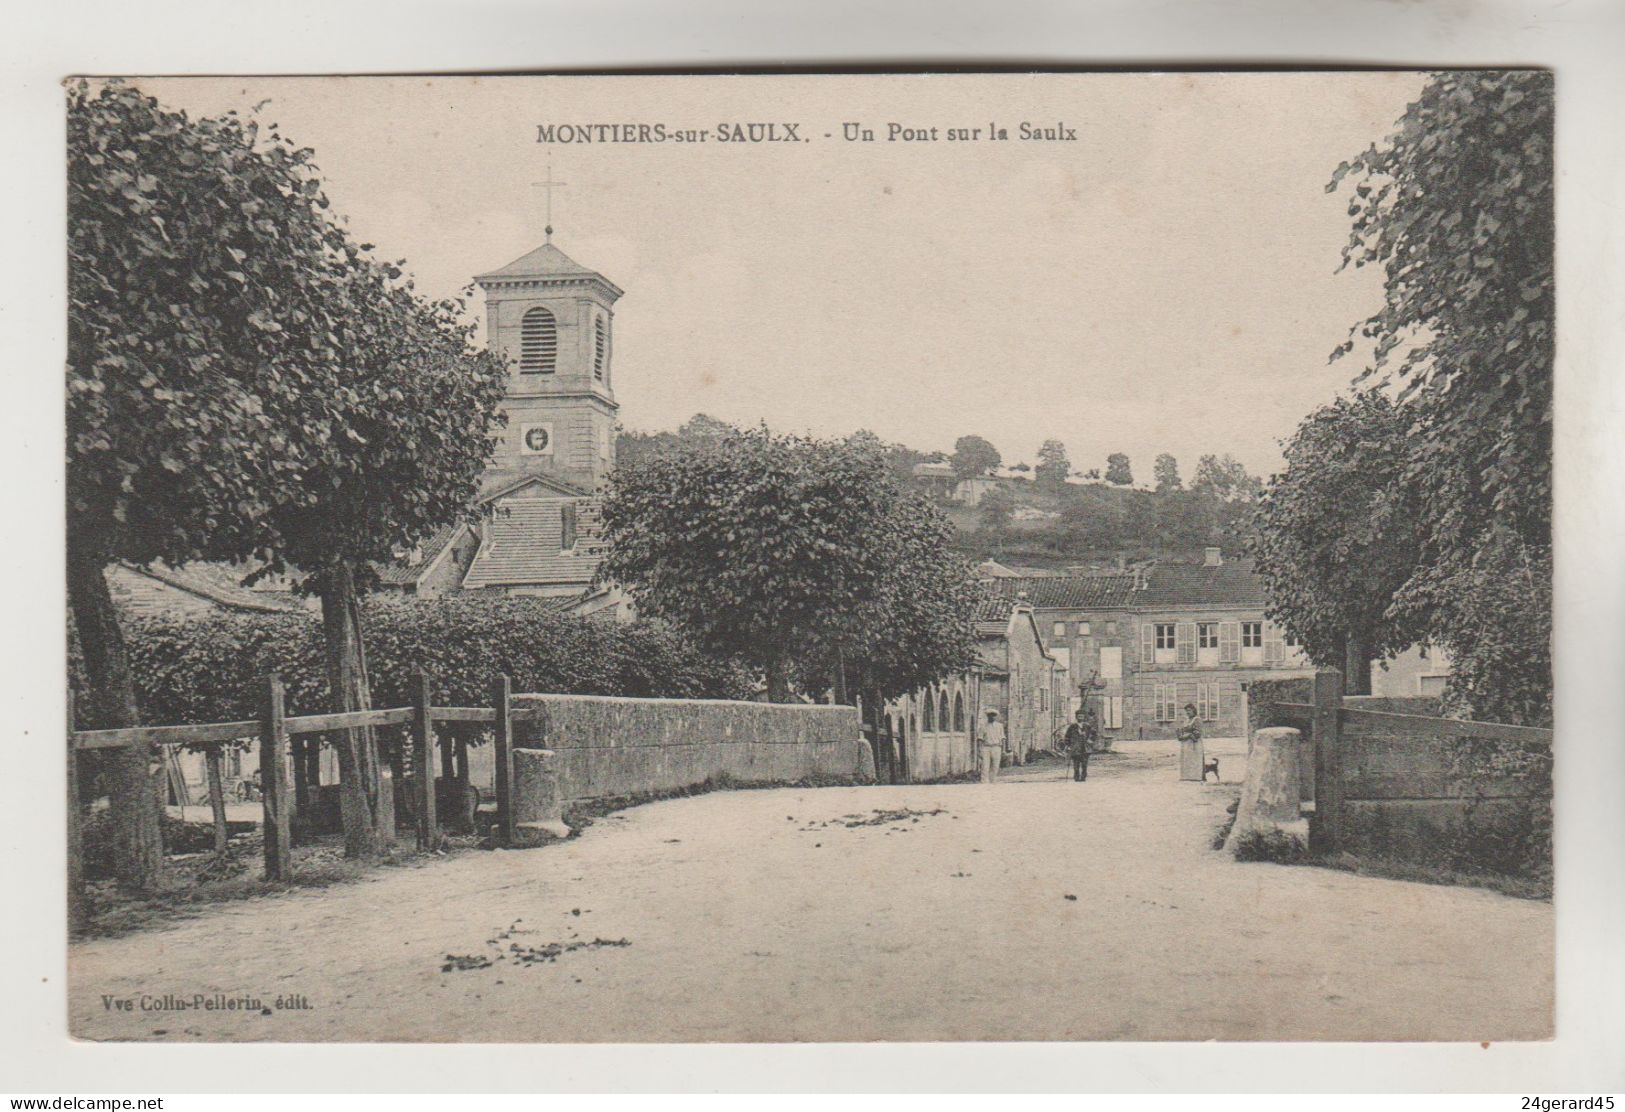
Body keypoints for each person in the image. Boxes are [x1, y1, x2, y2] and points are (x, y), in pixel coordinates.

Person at [1063, 708, 1098, 782]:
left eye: (1082, 716)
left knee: (1084, 764)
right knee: (1076, 765)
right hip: (1075, 748)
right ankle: (1076, 777)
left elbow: (1095, 734)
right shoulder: (1072, 727)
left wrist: (1090, 740)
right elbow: (1067, 736)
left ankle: (1083, 777)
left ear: (1084, 717)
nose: (1080, 718)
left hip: (1085, 748)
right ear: (1076, 717)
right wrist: (1068, 745)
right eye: (1079, 716)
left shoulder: (1087, 726)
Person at [1177, 701, 1204, 781]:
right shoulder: (1187, 720)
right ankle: (1186, 776)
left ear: (1193, 710)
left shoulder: (1197, 720)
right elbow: (1183, 730)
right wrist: (1180, 734)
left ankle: (1195, 777)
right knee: (1186, 759)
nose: (1188, 712)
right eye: (1186, 711)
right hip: (1186, 744)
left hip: (1194, 744)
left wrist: (1189, 735)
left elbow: (1198, 734)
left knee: (1194, 759)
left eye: (1189, 710)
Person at [978, 708, 1006, 783]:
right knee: (985, 765)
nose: (992, 717)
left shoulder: (1000, 726)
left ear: (995, 716)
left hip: (996, 747)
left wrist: (1003, 750)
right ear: (987, 716)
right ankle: (984, 782)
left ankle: (993, 780)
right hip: (986, 747)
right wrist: (980, 750)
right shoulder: (983, 726)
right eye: (990, 716)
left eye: (993, 716)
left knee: (995, 765)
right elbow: (980, 738)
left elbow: (1003, 738)